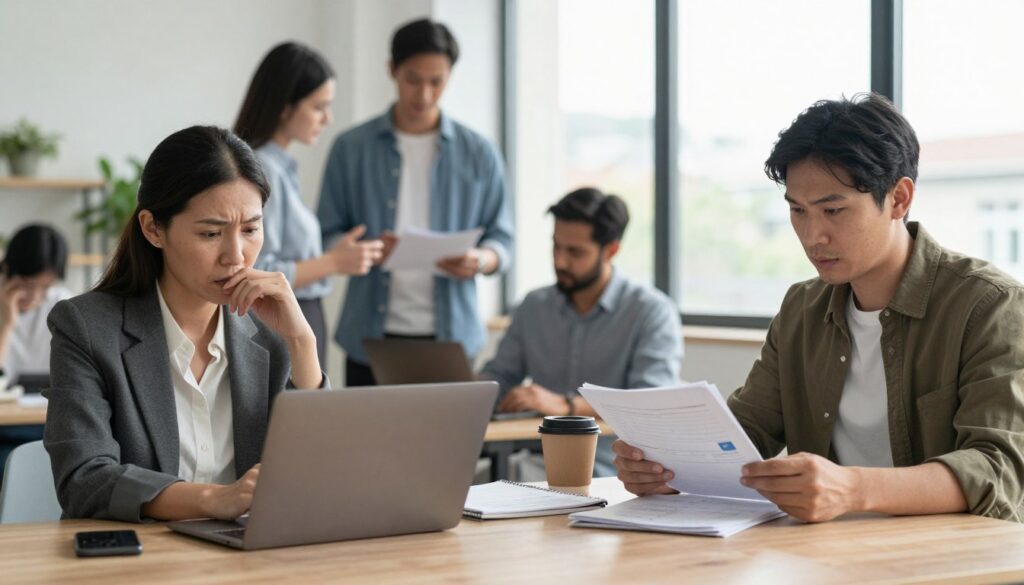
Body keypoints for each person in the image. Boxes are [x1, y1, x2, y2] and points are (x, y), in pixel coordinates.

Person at [613, 93, 1024, 523]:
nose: (813, 236)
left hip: (948, 560)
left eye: (833, 210)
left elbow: (998, 468)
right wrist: (666, 466)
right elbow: (746, 434)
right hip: (825, 553)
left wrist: (851, 489)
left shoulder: (989, 306)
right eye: (797, 211)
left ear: (899, 199)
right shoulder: (802, 308)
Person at [44, 126, 326, 522]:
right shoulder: (87, 328)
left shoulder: (275, 334)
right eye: (211, 233)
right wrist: (212, 498)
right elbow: (84, 480)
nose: (236, 256)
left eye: (250, 229)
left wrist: (302, 343)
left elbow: (319, 482)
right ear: (153, 228)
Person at [317, 18, 513, 386]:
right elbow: (326, 232)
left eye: (436, 82)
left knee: (446, 445)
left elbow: (503, 239)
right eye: (413, 79)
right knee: (369, 443)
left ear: (450, 76)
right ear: (392, 69)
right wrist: (358, 251)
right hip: (369, 338)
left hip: (452, 338)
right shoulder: (350, 148)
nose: (424, 95)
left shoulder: (480, 153)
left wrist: (481, 260)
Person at [482, 188, 682, 476]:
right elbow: (500, 374)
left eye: (575, 252)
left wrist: (565, 405)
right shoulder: (534, 305)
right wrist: (465, 394)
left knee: (498, 481)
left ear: (611, 250)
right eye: (556, 247)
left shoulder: (650, 311)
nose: (560, 262)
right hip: (529, 454)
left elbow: (648, 404)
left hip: (611, 468)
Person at [234, 41, 384, 369]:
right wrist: (332, 261)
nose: (327, 119)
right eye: (319, 107)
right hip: (280, 319)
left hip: (299, 313)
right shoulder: (263, 169)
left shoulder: (281, 167)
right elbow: (260, 270)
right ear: (285, 107)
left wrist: (332, 257)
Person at [0, 224, 71, 473]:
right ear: (9, 269)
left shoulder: (62, 303)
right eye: (29, 285)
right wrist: (7, 323)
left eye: (45, 287)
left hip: (46, 422)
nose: (37, 296)